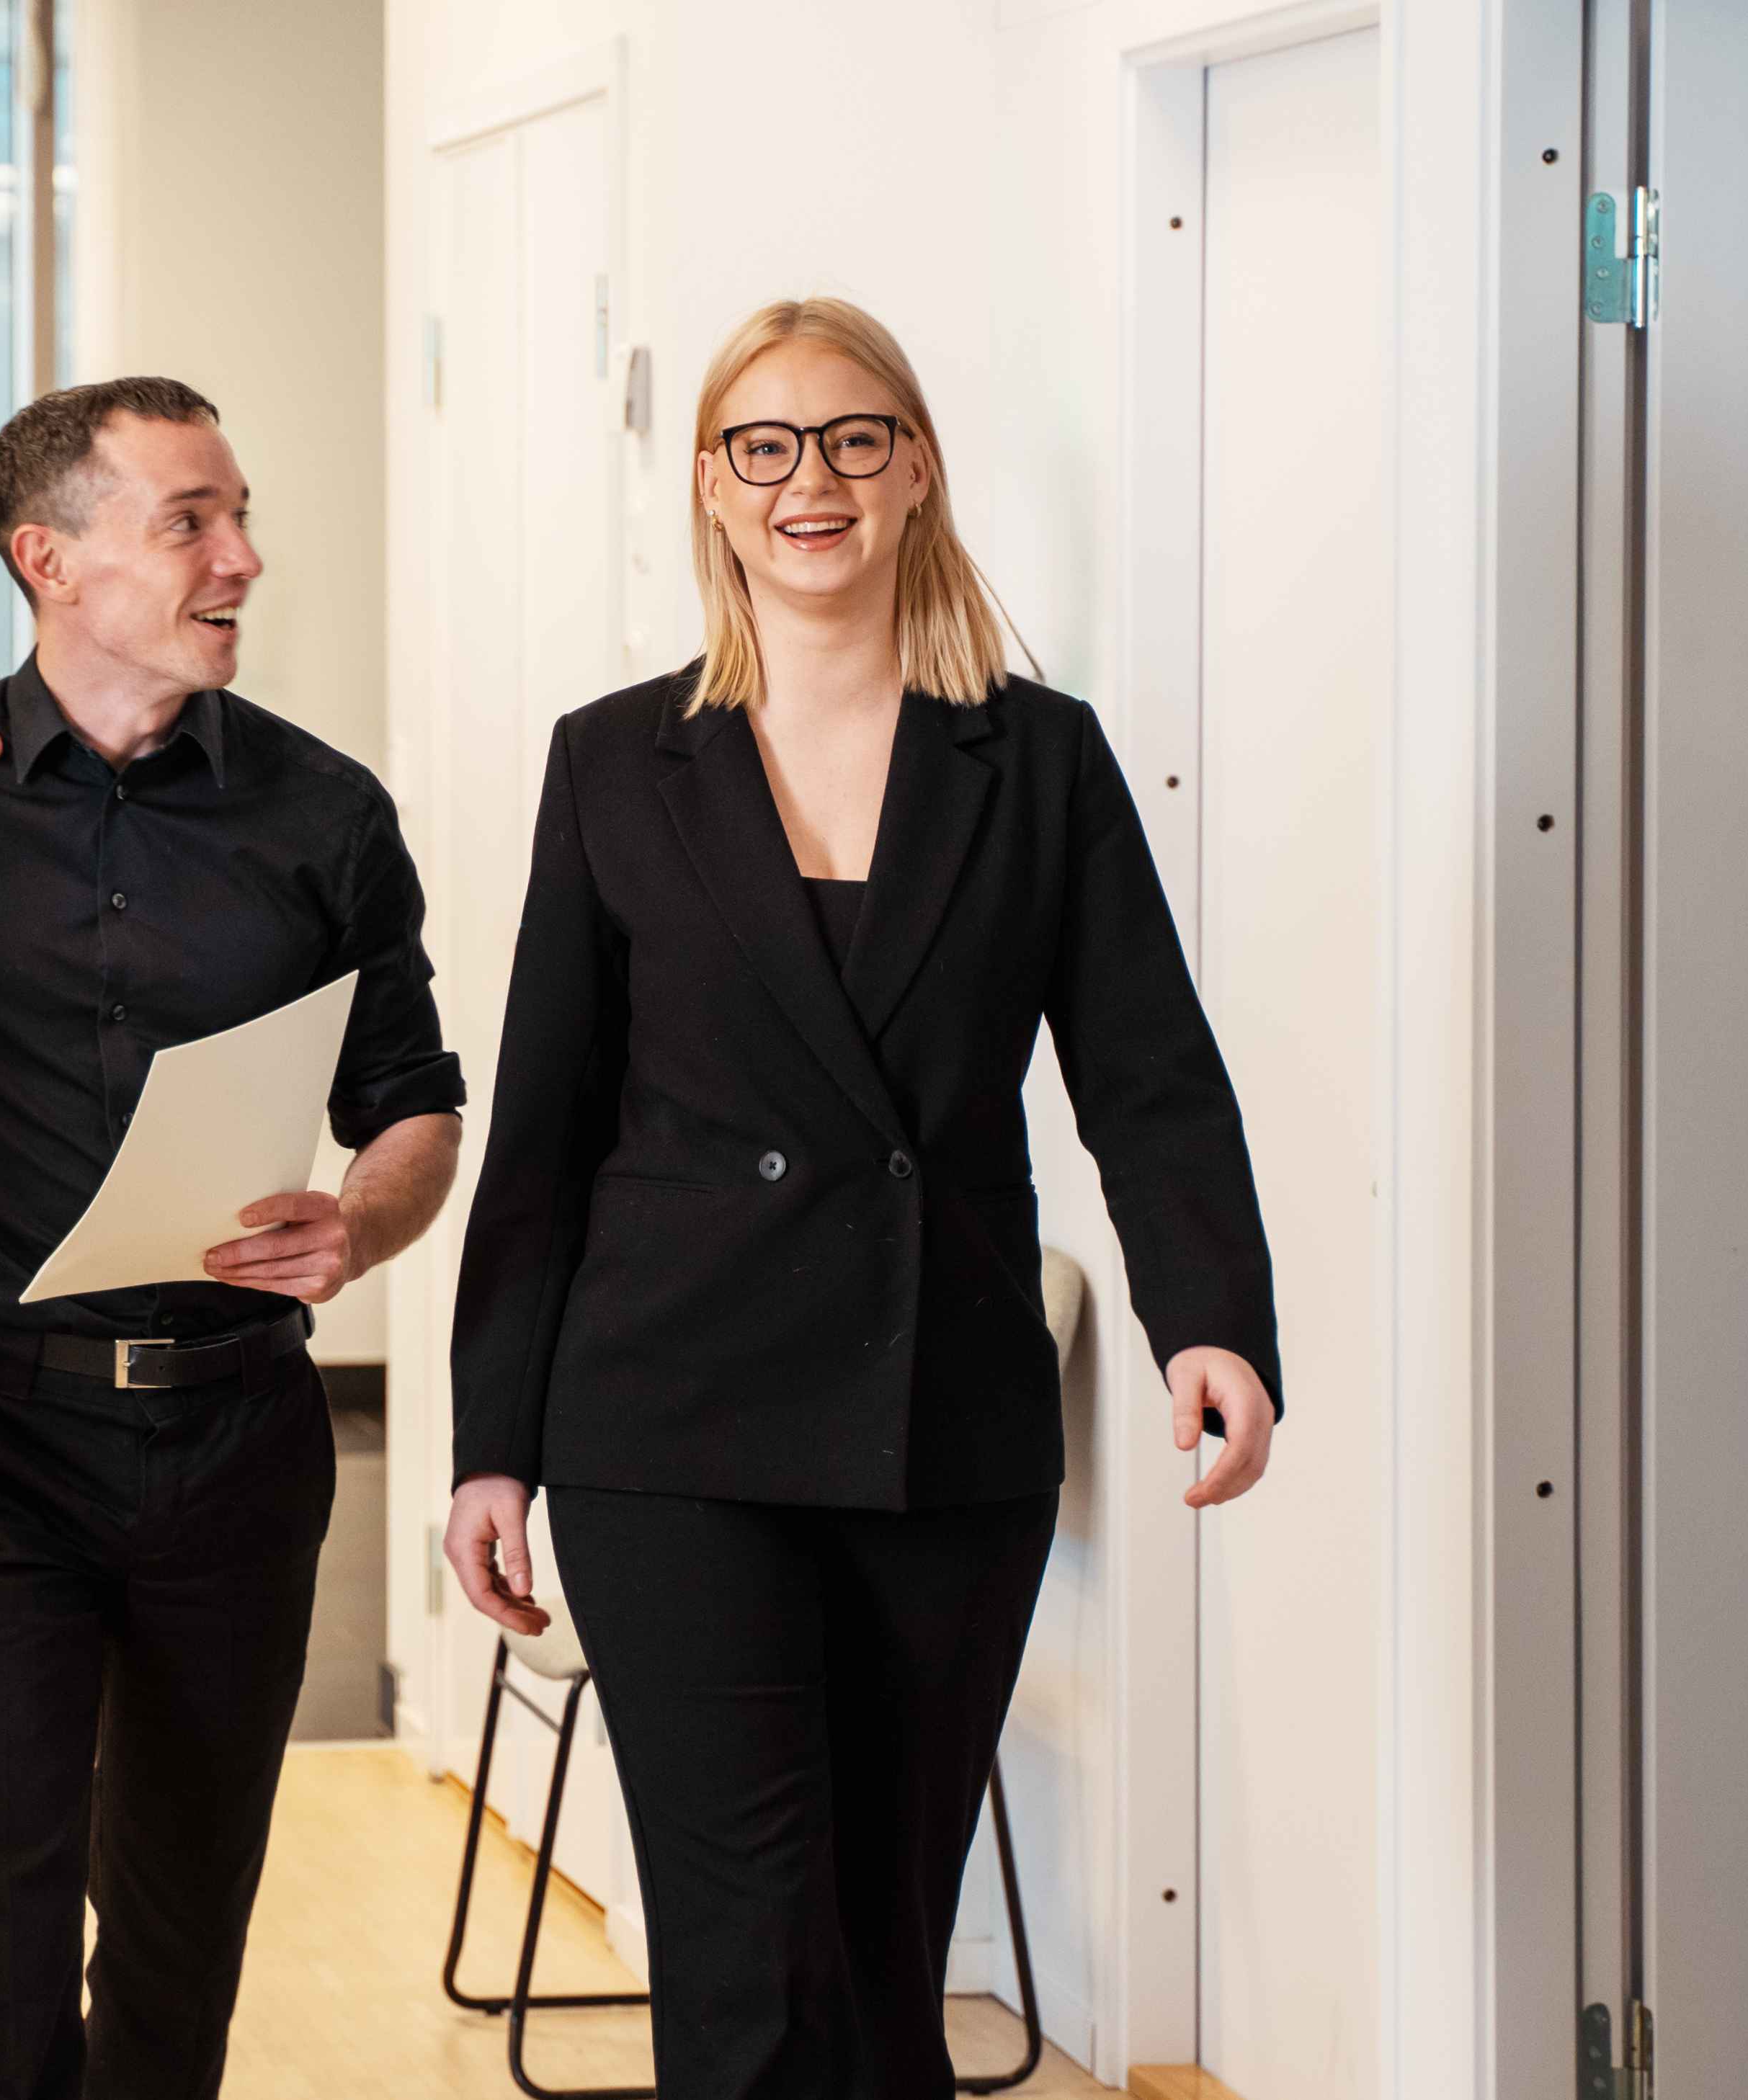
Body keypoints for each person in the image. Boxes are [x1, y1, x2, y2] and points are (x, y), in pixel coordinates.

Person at [440, 296, 1284, 2099]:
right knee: (744, 1952)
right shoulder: (615, 759)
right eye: (761, 446)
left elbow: (1145, 1071)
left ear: (912, 472)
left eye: (848, 439)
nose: (804, 481)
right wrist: (489, 1443)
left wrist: (1208, 1320)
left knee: (884, 1940)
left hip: (940, 1422)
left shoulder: (1034, 757)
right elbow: (543, 1131)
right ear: (709, 487)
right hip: (665, 1419)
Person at [0, 376, 466, 2099]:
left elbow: (414, 1104)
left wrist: (359, 1225)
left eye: (238, 517)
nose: (242, 559)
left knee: (178, 1928)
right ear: (46, 558)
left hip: (237, 1434)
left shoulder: (323, 813)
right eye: (188, 522)